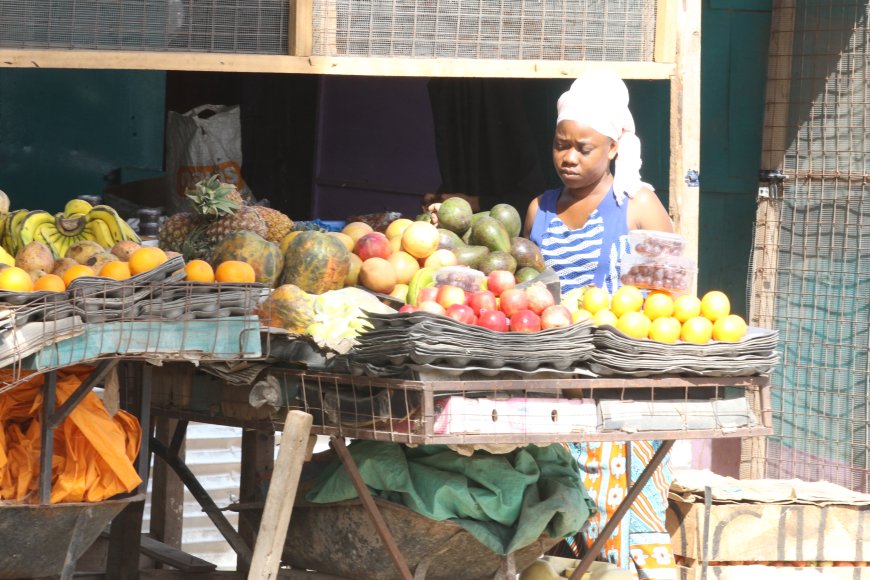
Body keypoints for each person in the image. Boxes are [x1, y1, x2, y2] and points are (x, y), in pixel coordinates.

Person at [523, 71, 676, 579]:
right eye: (561, 145)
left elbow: (675, 304)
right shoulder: (539, 210)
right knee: (555, 523)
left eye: (583, 148)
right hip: (552, 396)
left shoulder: (638, 206)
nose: (569, 157)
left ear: (614, 147)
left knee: (624, 522)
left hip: (623, 397)